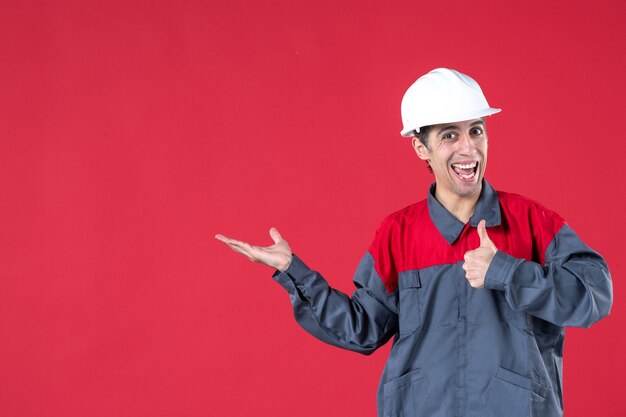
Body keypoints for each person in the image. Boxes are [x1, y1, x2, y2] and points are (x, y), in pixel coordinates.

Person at [215, 68, 613, 417]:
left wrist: (507, 271)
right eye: (449, 135)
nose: (467, 147)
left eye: (476, 130)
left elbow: (595, 296)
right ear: (420, 147)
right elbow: (362, 329)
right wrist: (291, 271)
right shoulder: (398, 233)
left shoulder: (533, 222)